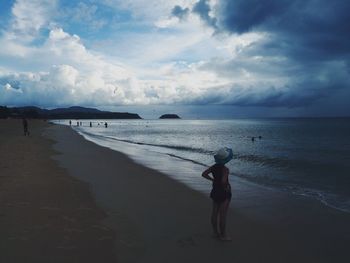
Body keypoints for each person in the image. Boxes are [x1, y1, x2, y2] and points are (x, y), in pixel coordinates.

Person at [202, 147, 233, 241]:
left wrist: (213, 180)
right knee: (223, 215)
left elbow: (204, 174)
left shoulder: (213, 167)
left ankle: (215, 233)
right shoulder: (225, 169)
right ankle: (223, 235)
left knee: (215, 212)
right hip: (223, 192)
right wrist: (226, 187)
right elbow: (223, 181)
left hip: (215, 190)